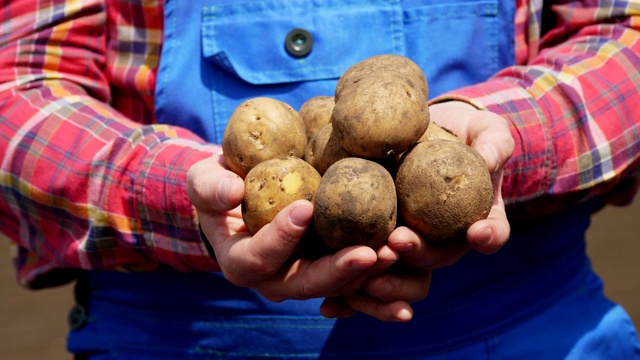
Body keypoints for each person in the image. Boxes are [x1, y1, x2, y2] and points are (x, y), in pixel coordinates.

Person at [1, 0, 639, 358]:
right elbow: (15, 90)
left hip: (531, 334)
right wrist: (182, 194)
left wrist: (504, 138)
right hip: (182, 339)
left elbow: (627, 32)